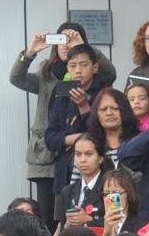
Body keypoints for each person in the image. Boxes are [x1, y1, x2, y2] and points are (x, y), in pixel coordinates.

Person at [12, 23, 117, 217]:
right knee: (50, 214)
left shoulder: (95, 79)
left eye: (71, 40)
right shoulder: (46, 74)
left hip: (80, 157)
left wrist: (84, 47)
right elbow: (17, 78)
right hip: (45, 156)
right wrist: (30, 52)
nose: (66, 45)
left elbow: (110, 73)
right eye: (61, 40)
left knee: (78, 208)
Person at [43, 44, 111, 191]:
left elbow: (101, 135)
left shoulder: (105, 94)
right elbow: (50, 137)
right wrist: (75, 139)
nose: (78, 70)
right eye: (73, 65)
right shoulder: (62, 93)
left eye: (84, 65)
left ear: (95, 67)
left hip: (96, 172)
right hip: (64, 173)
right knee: (62, 212)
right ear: (67, 68)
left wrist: (84, 107)